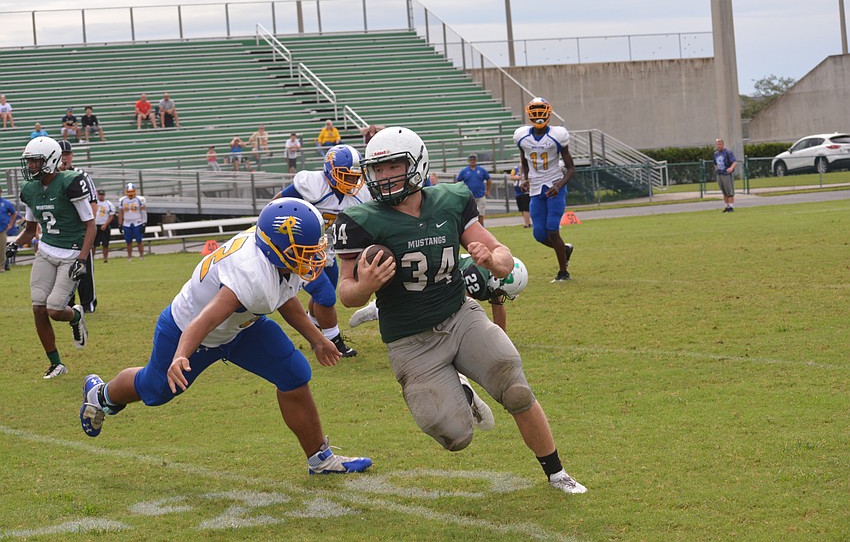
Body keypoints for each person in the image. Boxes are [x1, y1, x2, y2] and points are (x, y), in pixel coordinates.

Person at [333, 126, 587, 495]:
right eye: (379, 169)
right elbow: (346, 293)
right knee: (456, 437)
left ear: (417, 164)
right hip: (409, 339)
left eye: (394, 166)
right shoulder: (360, 220)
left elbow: (498, 252)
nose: (385, 176)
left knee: (516, 390)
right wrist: (366, 286)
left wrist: (495, 262)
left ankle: (557, 472)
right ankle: (463, 394)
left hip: (459, 314)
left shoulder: (451, 199)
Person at [78, 198, 373, 477]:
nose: (314, 254)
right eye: (305, 249)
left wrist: (317, 339)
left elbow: (283, 296)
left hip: (243, 325)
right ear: (279, 248)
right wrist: (181, 355)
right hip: (189, 329)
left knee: (294, 374)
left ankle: (320, 459)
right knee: (155, 391)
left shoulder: (276, 256)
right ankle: (102, 394)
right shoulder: (251, 273)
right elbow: (205, 319)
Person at [7, 136, 94, 379]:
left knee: (55, 310)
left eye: (36, 161)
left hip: (71, 252)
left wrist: (83, 259)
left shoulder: (70, 183)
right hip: (46, 250)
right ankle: (56, 363)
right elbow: (30, 230)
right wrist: (14, 245)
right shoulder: (30, 190)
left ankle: (76, 315)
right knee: (38, 307)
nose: (31, 166)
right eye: (30, 161)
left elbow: (90, 226)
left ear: (51, 160)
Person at [273, 144, 368, 358]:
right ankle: (333, 340)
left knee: (324, 294)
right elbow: (279, 203)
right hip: (300, 248)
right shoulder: (314, 185)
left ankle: (314, 326)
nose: (352, 182)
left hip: (328, 249)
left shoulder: (361, 194)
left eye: (355, 177)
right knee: (325, 296)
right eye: (346, 175)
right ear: (330, 171)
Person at [350, 254, 529, 333]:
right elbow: (461, 303)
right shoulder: (479, 276)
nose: (501, 296)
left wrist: (501, 338)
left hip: (444, 279)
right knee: (418, 312)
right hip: (433, 278)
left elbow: (497, 304)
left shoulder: (490, 276)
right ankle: (377, 310)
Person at [514, 97, 576, 282]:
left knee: (552, 230)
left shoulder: (557, 135)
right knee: (539, 234)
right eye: (535, 110)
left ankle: (563, 272)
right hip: (535, 189)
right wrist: (525, 178)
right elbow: (524, 160)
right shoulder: (522, 136)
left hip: (554, 186)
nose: (539, 115)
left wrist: (558, 185)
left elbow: (571, 168)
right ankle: (564, 250)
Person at [58, 140, 99, 313]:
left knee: (84, 268)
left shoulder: (81, 175)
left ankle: (88, 303)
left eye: (67, 154)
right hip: (60, 231)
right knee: (62, 269)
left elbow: (93, 202)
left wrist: (89, 227)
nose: (65, 158)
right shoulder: (51, 178)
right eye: (61, 154)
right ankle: (67, 304)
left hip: (79, 230)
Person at [455, 153, 491, 226]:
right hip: (469, 196)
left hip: (480, 195)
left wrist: (488, 190)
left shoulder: (481, 170)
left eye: (474, 159)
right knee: (470, 215)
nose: (472, 161)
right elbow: (458, 181)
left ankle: (482, 229)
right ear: (469, 161)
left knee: (480, 214)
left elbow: (488, 179)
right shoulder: (464, 171)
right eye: (471, 159)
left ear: (476, 160)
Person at [118, 183, 147, 261]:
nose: (130, 193)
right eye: (129, 191)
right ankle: (129, 257)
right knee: (128, 241)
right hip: (126, 223)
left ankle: (141, 256)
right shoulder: (122, 200)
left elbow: (143, 211)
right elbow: (121, 212)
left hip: (137, 221)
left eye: (132, 191)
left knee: (139, 240)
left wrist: (144, 223)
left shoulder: (139, 199)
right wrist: (120, 224)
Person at [713, 138, 738, 212]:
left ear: (723, 144)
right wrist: (716, 169)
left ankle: (731, 207)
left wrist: (731, 168)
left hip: (726, 174)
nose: (719, 146)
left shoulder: (728, 152)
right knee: (724, 192)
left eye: (720, 144)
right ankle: (726, 207)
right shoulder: (715, 154)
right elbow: (715, 163)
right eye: (718, 144)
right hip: (719, 174)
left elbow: (734, 162)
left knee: (729, 192)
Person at [94, 189, 116, 262]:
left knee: (105, 243)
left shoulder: (108, 204)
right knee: (93, 244)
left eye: (102, 195)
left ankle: (105, 259)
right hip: (95, 225)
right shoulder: (94, 203)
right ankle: (92, 259)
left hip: (104, 225)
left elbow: (111, 215)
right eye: (100, 195)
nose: (101, 196)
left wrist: (106, 224)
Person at [0, 186, 17, 272]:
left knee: (2, 249)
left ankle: (2, 267)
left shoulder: (6, 203)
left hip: (2, 230)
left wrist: (10, 224)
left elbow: (14, 214)